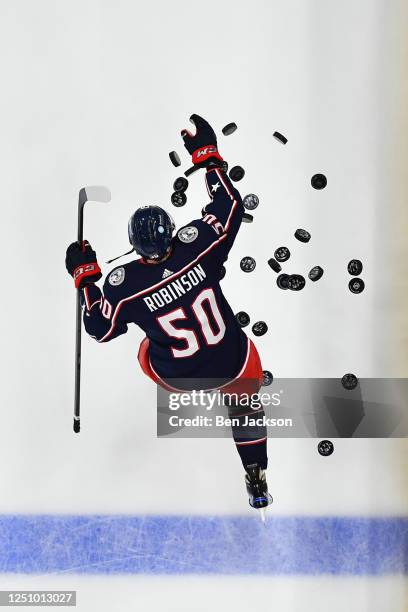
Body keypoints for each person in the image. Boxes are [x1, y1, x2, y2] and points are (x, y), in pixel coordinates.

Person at [65, 115, 272, 514]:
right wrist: (208, 157)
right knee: (245, 400)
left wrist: (86, 276)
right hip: (231, 361)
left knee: (146, 346)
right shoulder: (199, 245)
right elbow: (228, 207)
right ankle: (255, 472)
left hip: (178, 378)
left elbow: (100, 328)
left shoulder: (124, 285)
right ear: (173, 231)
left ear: (135, 248)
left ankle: (175, 358)